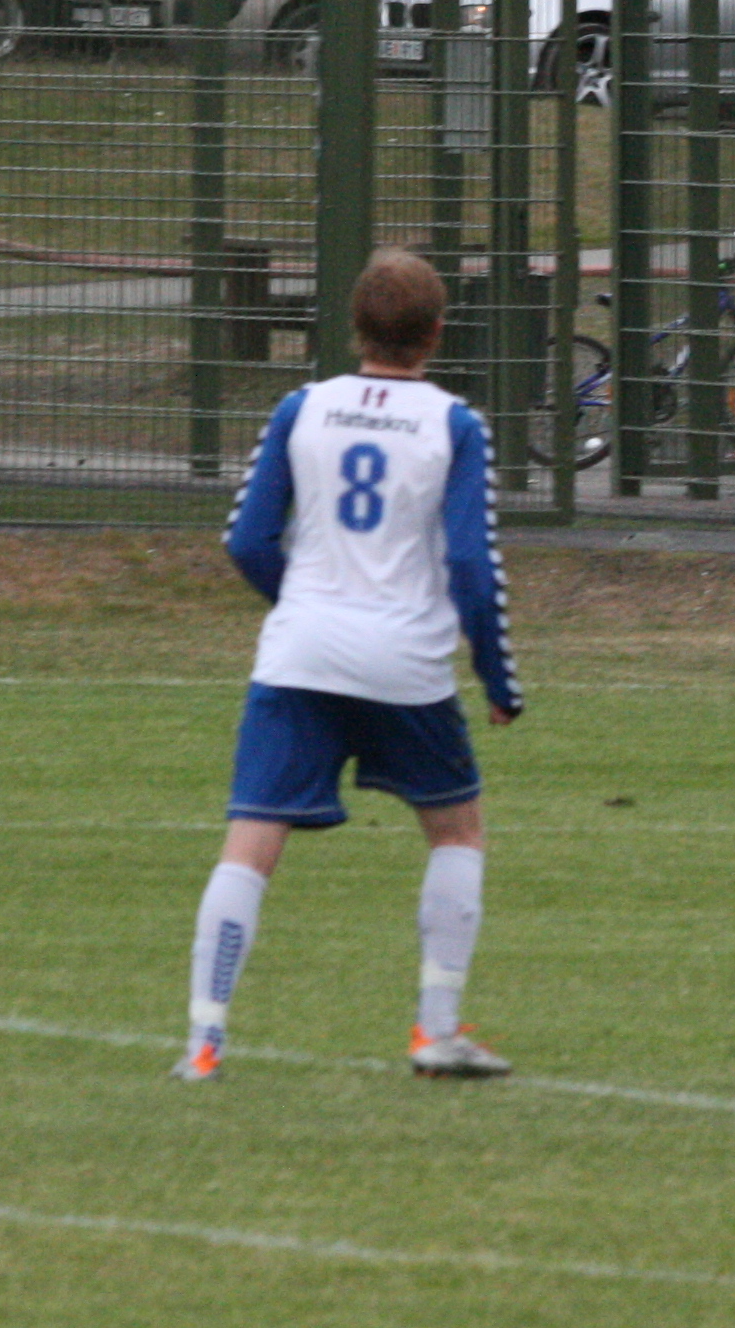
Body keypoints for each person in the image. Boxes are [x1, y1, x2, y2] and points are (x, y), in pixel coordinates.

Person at [174, 249, 524, 1084]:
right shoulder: (454, 424)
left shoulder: (303, 407)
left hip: (301, 653)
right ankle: (436, 1030)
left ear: (353, 327)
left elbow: (247, 539)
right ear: (437, 333)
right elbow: (472, 566)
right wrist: (498, 678)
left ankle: (204, 1041)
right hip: (406, 662)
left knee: (250, 843)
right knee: (457, 829)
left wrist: (302, 603)